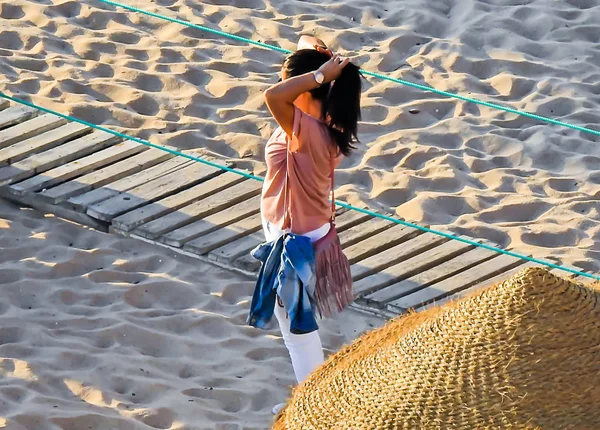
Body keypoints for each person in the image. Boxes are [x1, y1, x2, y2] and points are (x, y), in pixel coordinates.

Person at [260, 35, 362, 414]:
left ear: (307, 89)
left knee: (297, 330)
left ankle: (315, 407)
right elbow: (296, 70)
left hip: (294, 243)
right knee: (297, 322)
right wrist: (320, 58)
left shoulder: (306, 134)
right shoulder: (318, 122)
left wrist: (318, 73)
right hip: (296, 230)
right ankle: (315, 397)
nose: (285, 84)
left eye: (292, 81)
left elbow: (273, 95)